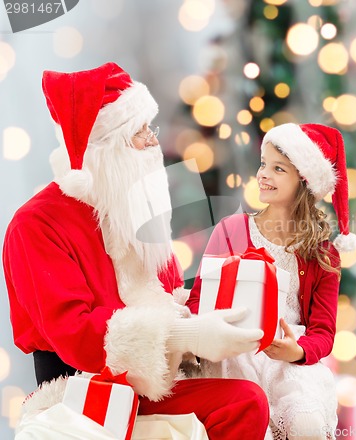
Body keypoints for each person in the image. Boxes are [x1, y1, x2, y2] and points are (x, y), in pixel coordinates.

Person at [2, 62, 270, 439]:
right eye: (139, 131)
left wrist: (234, 316)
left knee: (252, 395)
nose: (153, 141)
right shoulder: (36, 225)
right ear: (103, 149)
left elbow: (172, 294)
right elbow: (77, 335)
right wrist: (185, 336)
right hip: (80, 394)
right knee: (245, 402)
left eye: (151, 127)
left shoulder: (133, 212)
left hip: (153, 384)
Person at [187, 123, 356, 440]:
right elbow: (198, 301)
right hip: (233, 356)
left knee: (305, 425)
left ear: (304, 182)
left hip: (288, 362)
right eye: (263, 164)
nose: (263, 174)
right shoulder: (231, 230)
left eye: (278, 169)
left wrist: (295, 351)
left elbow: (323, 332)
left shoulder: (323, 253)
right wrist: (209, 332)